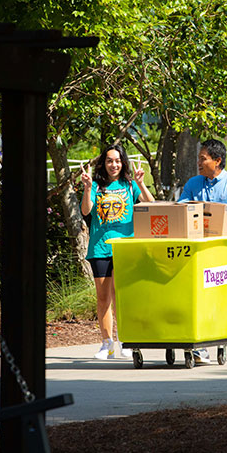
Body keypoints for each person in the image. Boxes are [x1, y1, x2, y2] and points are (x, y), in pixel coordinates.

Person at [178, 139, 227, 362]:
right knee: (203, 299)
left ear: (217, 160)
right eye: (199, 158)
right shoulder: (193, 183)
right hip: (204, 255)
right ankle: (202, 344)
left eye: (203, 159)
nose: (198, 163)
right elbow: (182, 210)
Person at [81, 144, 155, 360]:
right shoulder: (95, 185)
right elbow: (86, 211)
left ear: (123, 163)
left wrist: (141, 184)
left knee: (122, 297)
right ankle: (107, 344)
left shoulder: (130, 184)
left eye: (117, 160)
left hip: (125, 248)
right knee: (103, 298)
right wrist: (86, 189)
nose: (114, 164)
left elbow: (152, 205)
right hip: (100, 247)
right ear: (103, 164)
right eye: (109, 160)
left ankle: (126, 340)